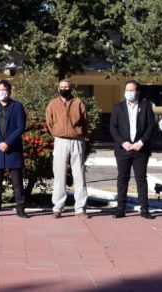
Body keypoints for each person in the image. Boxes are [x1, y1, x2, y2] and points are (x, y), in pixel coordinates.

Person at [109, 80, 155, 219]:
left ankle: (144, 210)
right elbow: (113, 127)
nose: (129, 92)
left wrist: (141, 142)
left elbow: (151, 126)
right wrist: (123, 142)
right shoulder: (118, 107)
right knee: (122, 178)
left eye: (132, 90)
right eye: (127, 90)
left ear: (137, 92)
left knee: (141, 179)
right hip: (123, 149)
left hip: (140, 149)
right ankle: (120, 209)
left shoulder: (146, 106)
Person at [46, 79, 90, 219]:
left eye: (66, 87)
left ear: (71, 89)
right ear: (58, 89)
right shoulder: (52, 104)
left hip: (76, 140)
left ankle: (80, 208)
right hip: (60, 141)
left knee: (79, 174)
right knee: (59, 175)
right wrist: (57, 133)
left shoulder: (78, 103)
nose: (64, 89)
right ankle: (57, 208)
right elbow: (49, 122)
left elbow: (85, 122)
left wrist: (79, 134)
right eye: (61, 87)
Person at [0, 80, 28, 218]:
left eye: (4, 89)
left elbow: (20, 127)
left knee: (17, 183)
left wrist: (7, 142)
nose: (1, 92)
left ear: (9, 91)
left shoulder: (17, 106)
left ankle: (20, 209)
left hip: (13, 149)